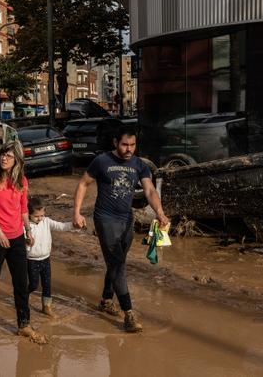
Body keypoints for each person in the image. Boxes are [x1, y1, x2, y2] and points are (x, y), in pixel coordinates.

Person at [73, 125, 169, 333]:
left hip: (126, 219)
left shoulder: (138, 164)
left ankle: (106, 299)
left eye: (132, 145)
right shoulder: (102, 161)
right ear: (115, 143)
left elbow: (150, 190)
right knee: (117, 264)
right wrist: (77, 212)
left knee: (117, 261)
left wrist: (159, 212)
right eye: (125, 144)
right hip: (105, 219)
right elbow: (83, 184)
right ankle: (129, 314)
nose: (129, 149)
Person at [0, 142, 47, 344]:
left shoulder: (22, 181)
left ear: (17, 159)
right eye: (2, 155)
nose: (4, 158)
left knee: (21, 282)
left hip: (17, 236)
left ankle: (24, 324)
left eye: (9, 156)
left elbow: (23, 209)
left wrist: (28, 230)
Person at [26, 196, 75, 318]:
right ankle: (22, 299)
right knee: (33, 284)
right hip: (32, 260)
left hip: (46, 259)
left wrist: (74, 225)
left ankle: (46, 307)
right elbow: (22, 242)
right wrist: (27, 243)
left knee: (47, 285)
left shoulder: (46, 221)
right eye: (36, 216)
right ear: (28, 215)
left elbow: (61, 226)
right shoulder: (25, 226)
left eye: (42, 215)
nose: (40, 218)